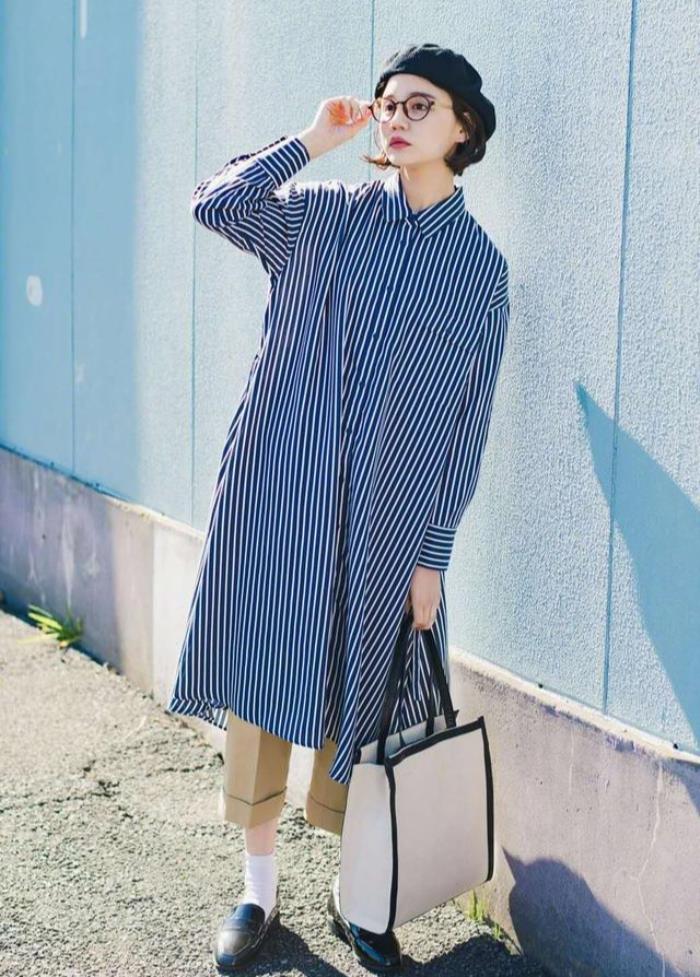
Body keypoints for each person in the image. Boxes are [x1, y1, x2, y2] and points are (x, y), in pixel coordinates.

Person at [166, 43, 510, 973]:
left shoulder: (479, 268)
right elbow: (217, 203)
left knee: (368, 699)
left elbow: (466, 420)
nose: (395, 117)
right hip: (281, 497)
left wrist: (433, 553)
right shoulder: (323, 216)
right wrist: (311, 139)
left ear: (463, 127)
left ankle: (362, 893)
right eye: (387, 103)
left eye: (419, 105)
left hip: (388, 526)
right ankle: (258, 890)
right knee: (262, 685)